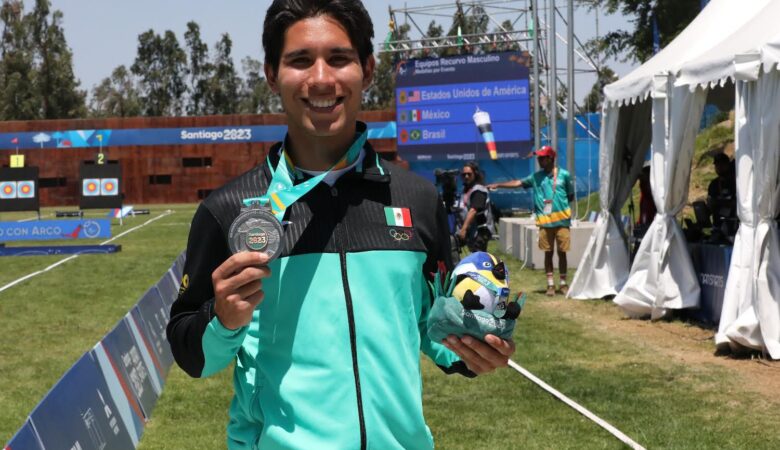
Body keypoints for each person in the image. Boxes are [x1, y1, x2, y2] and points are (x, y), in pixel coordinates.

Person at [166, 1, 515, 449]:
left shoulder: (417, 200)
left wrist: (474, 349)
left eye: (339, 58)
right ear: (272, 74)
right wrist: (224, 319)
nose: (321, 79)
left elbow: (433, 325)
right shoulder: (230, 209)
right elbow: (189, 352)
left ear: (367, 70)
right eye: (299, 61)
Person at [488, 145, 574, 296]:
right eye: (539, 158)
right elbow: (517, 183)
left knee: (562, 253)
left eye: (542, 158)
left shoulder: (564, 175)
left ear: (551, 158)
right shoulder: (536, 177)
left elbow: (570, 195)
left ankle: (563, 283)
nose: (539, 160)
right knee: (548, 253)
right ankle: (550, 285)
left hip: (562, 222)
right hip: (545, 223)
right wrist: (499, 184)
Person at [456, 161, 494, 252]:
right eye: (464, 174)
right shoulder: (466, 190)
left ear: (475, 174)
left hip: (480, 232)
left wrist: (464, 229)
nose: (466, 177)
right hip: (472, 230)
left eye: (469, 174)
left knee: (478, 258)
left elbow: (473, 210)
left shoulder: (478, 190)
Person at [707, 153, 737, 237]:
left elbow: (737, 204)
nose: (719, 167)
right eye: (717, 165)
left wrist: (719, 203)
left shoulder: (735, 182)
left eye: (722, 164)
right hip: (717, 225)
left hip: (733, 224)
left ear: (727, 165)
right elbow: (710, 205)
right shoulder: (713, 184)